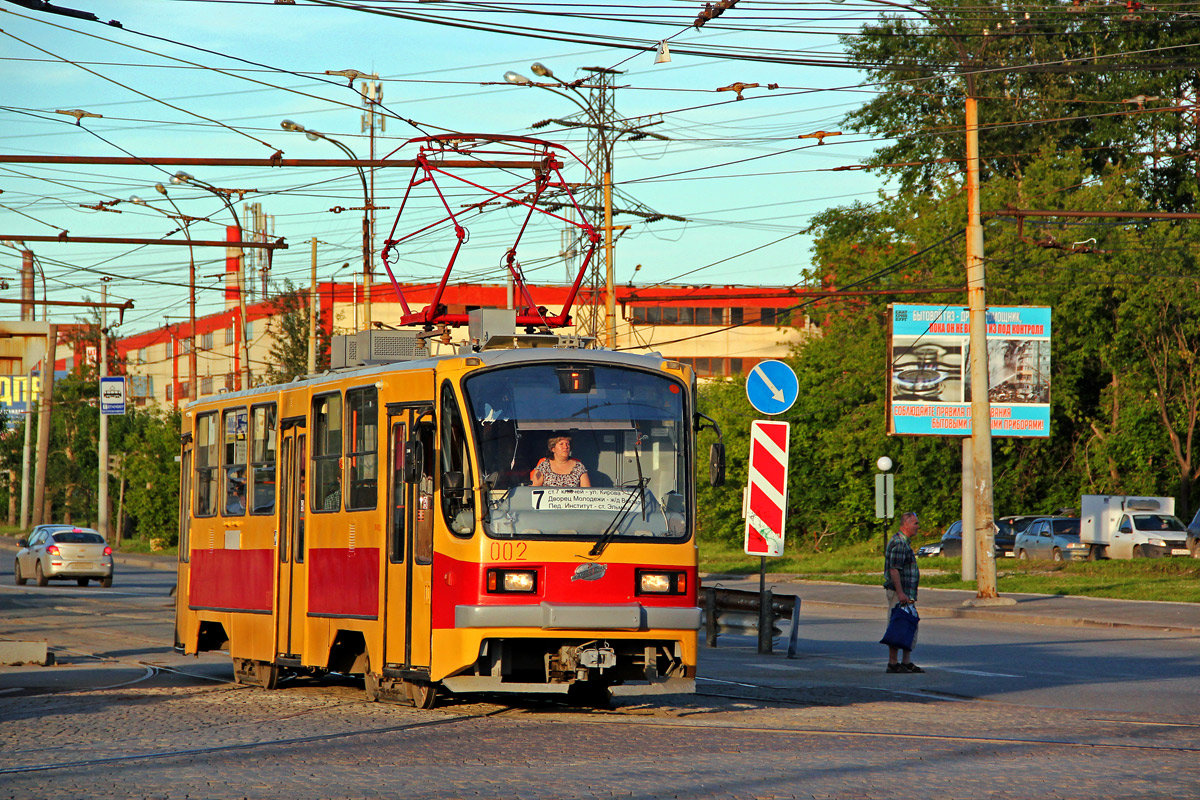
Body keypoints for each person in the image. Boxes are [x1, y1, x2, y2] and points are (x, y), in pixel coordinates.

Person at [883, 510, 923, 673]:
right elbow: (894, 570)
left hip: (907, 593)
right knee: (898, 625)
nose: (918, 527)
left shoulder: (905, 542)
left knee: (909, 625)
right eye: (915, 523)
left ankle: (906, 661)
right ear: (906, 524)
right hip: (900, 593)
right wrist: (900, 593)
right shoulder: (899, 543)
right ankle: (893, 662)